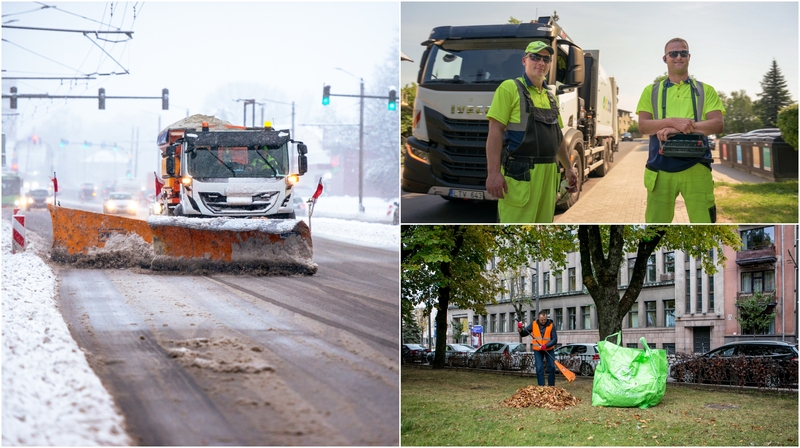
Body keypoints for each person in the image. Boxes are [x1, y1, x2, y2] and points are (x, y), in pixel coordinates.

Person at [485, 41, 578, 223]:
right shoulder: (510, 88)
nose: (541, 63)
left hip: (549, 175)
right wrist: (494, 173)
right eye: (535, 57)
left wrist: (568, 168)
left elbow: (557, 138)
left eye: (546, 59)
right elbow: (495, 131)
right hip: (522, 174)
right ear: (524, 61)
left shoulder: (550, 97)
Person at [636, 38, 725, 223]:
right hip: (660, 168)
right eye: (673, 53)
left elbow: (717, 124)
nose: (678, 57)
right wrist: (671, 122)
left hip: (697, 166)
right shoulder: (651, 91)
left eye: (683, 53)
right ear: (665, 58)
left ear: (689, 57)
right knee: (655, 230)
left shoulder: (705, 90)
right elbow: (643, 126)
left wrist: (676, 128)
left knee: (705, 227)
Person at [518, 311, 558, 387]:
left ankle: (551, 386)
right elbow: (524, 333)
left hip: (548, 349)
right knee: (539, 368)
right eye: (541, 320)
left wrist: (546, 346)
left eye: (545, 319)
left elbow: (555, 339)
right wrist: (520, 329)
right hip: (537, 350)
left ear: (546, 318)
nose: (543, 321)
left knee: (552, 367)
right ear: (538, 318)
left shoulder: (551, 325)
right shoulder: (533, 324)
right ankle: (541, 386)